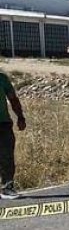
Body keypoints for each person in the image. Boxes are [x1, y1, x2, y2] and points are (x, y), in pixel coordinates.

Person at [0, 69, 27, 200]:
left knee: (7, 157)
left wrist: (20, 117)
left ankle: (7, 187)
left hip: (3, 123)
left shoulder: (2, 79)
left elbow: (13, 99)